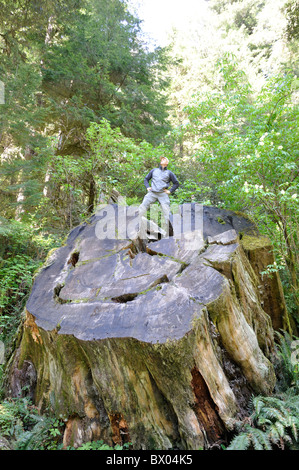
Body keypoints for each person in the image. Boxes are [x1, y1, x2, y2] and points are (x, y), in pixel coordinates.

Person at [138, 156, 179, 238]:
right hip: (152, 193)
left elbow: (176, 183)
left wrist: (170, 191)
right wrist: (147, 187)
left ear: (167, 162)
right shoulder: (154, 170)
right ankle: (134, 225)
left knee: (167, 212)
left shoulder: (169, 173)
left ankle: (171, 235)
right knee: (142, 207)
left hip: (162, 194)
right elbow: (146, 179)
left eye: (164, 159)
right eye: (161, 159)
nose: (162, 160)